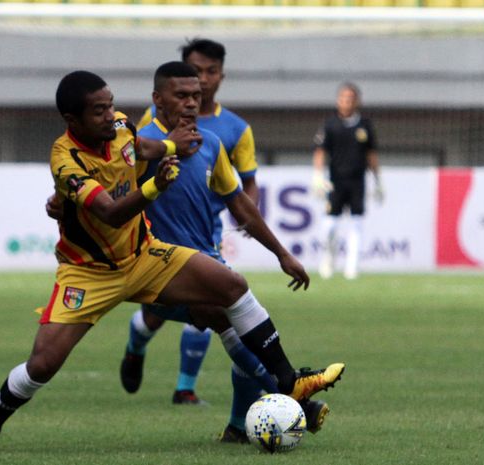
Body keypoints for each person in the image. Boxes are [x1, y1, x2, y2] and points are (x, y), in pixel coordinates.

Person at [0, 70, 342, 454]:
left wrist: (170, 147)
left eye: (111, 105)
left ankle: (290, 383)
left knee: (232, 287)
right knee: (43, 365)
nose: (111, 115)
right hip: (89, 273)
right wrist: (155, 185)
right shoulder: (65, 160)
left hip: (144, 255)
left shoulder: (122, 125)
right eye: (99, 111)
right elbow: (111, 213)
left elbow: (140, 147)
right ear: (73, 120)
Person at [122, 61, 338, 443]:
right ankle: (293, 394)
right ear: (157, 99)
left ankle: (239, 428)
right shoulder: (141, 145)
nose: (191, 102)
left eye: (196, 96)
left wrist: (281, 253)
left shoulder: (212, 145)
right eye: (181, 95)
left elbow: (240, 205)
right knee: (227, 318)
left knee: (242, 326)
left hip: (206, 264)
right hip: (156, 271)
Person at [125, 38, 262, 407]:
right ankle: (135, 344)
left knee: (212, 311)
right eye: (195, 70)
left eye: (209, 72)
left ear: (220, 76)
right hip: (158, 236)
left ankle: (186, 388)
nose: (201, 79)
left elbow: (246, 181)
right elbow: (132, 165)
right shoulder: (151, 123)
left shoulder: (235, 129)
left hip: (205, 231)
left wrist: (249, 213)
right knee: (154, 318)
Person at [312, 82, 383, 280]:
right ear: (338, 101)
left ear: (357, 101)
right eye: (343, 98)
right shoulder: (330, 124)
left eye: (350, 99)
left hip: (357, 182)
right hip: (335, 182)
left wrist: (378, 180)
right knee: (330, 227)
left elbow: (371, 154)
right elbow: (320, 151)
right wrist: (318, 176)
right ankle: (328, 257)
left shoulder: (365, 126)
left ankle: (352, 267)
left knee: (357, 224)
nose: (346, 102)